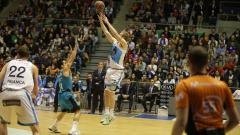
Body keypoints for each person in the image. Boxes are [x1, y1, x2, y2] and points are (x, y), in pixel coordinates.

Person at [172, 46, 239, 135]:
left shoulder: (184, 86)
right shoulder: (222, 86)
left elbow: (181, 122)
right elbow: (235, 120)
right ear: (207, 63)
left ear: (188, 63)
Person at [0, 45, 40, 135]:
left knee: (3, 122)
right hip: (22, 95)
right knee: (35, 128)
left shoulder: (8, 63)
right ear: (28, 56)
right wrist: (34, 95)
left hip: (5, 94)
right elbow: (36, 85)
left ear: (17, 54)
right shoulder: (33, 67)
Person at [98, 13, 129, 125]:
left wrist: (107, 21)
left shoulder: (124, 44)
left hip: (118, 72)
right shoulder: (115, 43)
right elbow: (106, 32)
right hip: (110, 70)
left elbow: (114, 33)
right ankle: (109, 114)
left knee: (109, 91)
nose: (117, 36)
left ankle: (109, 115)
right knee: (106, 93)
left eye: (120, 35)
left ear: (123, 37)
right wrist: (101, 20)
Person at [49, 36, 81, 135]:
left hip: (60, 96)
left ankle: (54, 125)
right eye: (65, 64)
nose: (67, 63)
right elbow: (71, 59)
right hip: (66, 95)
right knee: (78, 111)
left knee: (64, 111)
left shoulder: (60, 74)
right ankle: (73, 130)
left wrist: (71, 52)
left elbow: (69, 60)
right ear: (64, 66)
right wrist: (75, 48)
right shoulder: (65, 71)